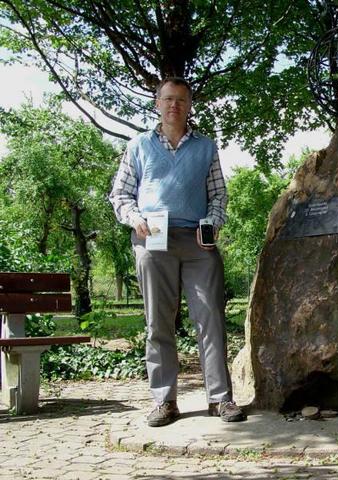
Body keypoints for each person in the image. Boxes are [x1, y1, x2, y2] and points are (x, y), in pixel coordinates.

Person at [109, 77, 245, 426]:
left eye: (181, 100)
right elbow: (121, 195)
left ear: (189, 106)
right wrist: (134, 218)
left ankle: (220, 399)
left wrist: (213, 221)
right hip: (152, 236)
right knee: (158, 320)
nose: (174, 106)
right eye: (168, 99)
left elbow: (218, 194)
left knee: (211, 316)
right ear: (157, 104)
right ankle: (164, 400)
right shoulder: (138, 145)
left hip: (197, 239)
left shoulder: (206, 147)